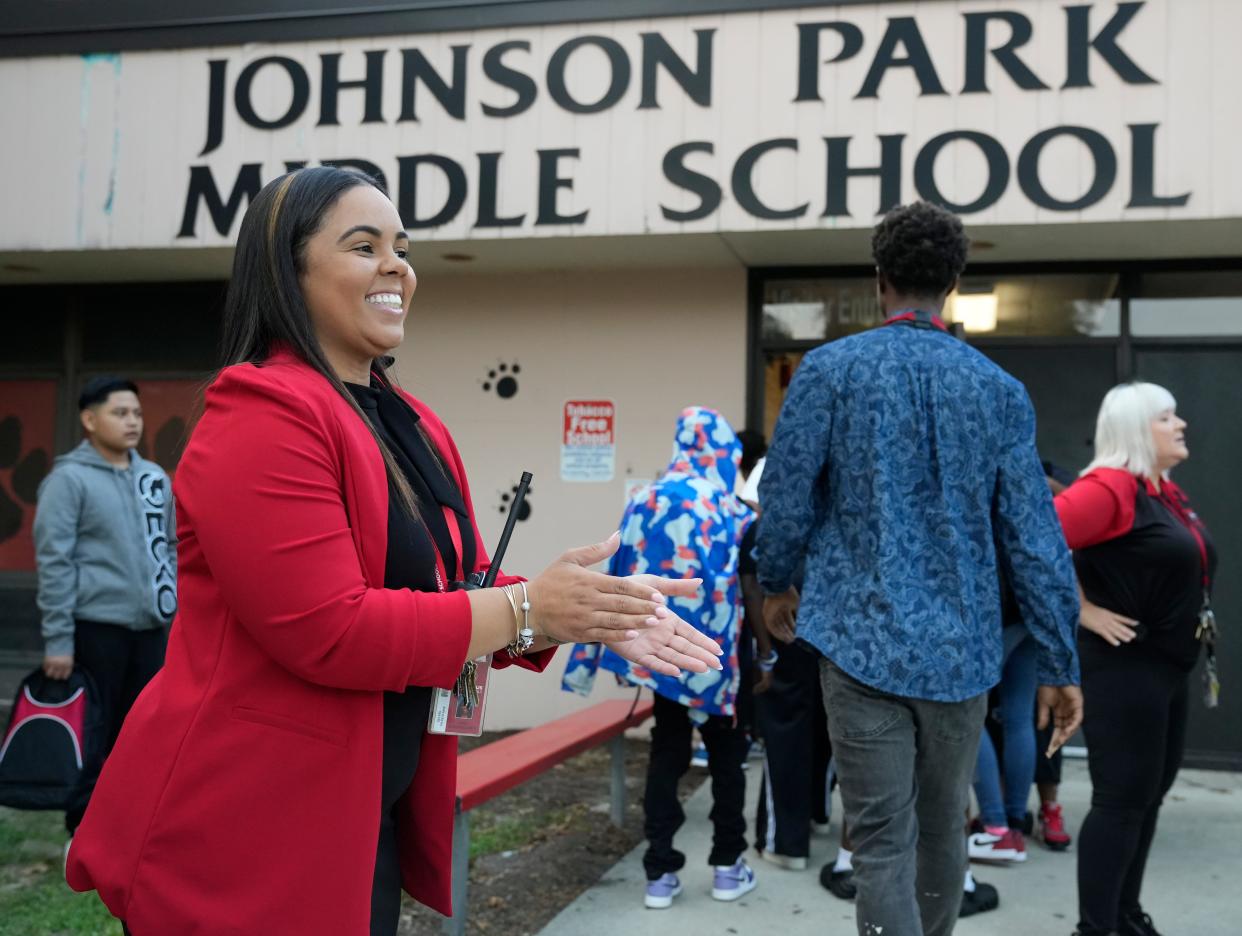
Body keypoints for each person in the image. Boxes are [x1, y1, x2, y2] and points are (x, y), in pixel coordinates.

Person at [64, 167, 724, 936]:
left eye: (403, 248)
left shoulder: (413, 422)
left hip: (358, 815)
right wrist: (524, 608)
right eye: (364, 245)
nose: (397, 267)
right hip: (246, 829)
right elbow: (331, 629)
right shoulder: (262, 409)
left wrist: (580, 615)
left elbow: (461, 588)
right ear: (290, 268)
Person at [756, 201, 1083, 936]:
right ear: (955, 282)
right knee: (942, 835)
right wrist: (1061, 661)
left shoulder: (829, 371)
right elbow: (1035, 536)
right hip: (961, 655)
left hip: (858, 640)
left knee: (880, 844)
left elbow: (785, 491)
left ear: (880, 280)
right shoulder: (999, 390)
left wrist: (776, 581)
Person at [562, 407, 757, 909]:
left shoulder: (644, 500)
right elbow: (752, 587)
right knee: (728, 761)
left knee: (666, 754)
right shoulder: (735, 511)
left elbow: (617, 572)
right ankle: (727, 867)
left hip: (665, 658)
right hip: (718, 662)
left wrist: (596, 644)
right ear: (722, 452)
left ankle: (658, 873)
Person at [1054, 382, 1217, 936]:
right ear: (1135, 428)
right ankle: (1095, 928)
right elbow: (1030, 543)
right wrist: (1081, 608)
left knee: (1146, 800)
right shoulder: (1109, 488)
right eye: (1166, 417)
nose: (1181, 425)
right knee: (1121, 801)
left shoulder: (1160, 491)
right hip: (1126, 670)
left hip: (1167, 672)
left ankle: (1125, 914)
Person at [33, 376, 176, 837]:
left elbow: (170, 549)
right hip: (96, 628)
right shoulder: (67, 481)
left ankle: (133, 824)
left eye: (135, 413)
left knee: (145, 732)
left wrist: (176, 616)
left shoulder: (154, 478)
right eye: (120, 413)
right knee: (94, 733)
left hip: (152, 629)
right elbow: (55, 562)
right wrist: (58, 641)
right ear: (89, 420)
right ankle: (84, 831)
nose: (132, 421)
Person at [967, 582, 1038, 864]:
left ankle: (995, 827)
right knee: (1019, 718)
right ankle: (1013, 823)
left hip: (989, 606)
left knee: (968, 712)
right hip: (1029, 607)